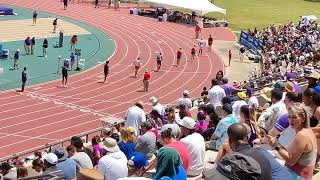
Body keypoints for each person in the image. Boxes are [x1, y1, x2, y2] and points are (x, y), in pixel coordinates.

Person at [270, 103, 317, 179]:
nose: (290, 120)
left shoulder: (301, 135)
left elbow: (291, 161)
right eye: (289, 117)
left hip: (297, 176)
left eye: (294, 117)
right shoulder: (308, 131)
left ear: (303, 119)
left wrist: (275, 145)